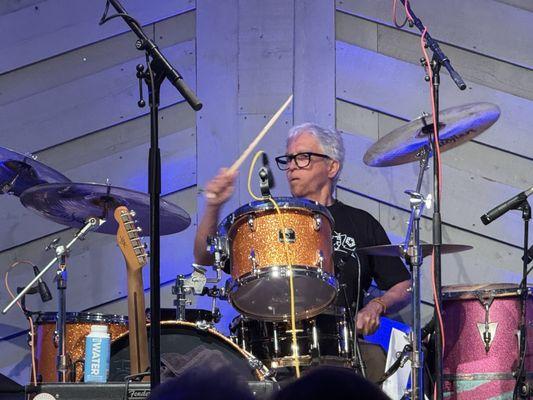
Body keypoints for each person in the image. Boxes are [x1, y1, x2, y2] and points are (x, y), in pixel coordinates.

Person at [194, 122, 411, 337]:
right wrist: (214, 205)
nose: (291, 166)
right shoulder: (270, 220)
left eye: (302, 157)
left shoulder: (361, 223)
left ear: (332, 167)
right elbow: (204, 256)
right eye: (288, 159)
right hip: (271, 347)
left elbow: (404, 285)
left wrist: (377, 305)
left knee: (375, 360)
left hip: (343, 348)